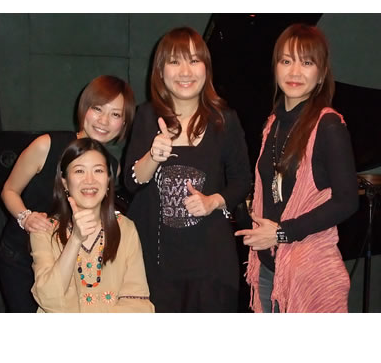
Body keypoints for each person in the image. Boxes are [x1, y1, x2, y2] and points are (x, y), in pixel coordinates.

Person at [124, 27, 251, 312]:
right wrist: (153, 156)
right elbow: (132, 182)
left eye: (194, 60)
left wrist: (213, 201)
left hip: (211, 262)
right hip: (155, 261)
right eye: (174, 61)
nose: (185, 71)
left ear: (206, 68)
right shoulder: (147, 115)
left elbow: (242, 180)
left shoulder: (224, 120)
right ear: (160, 71)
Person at [235, 23, 358, 313]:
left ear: (321, 74)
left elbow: (347, 201)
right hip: (269, 267)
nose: (295, 72)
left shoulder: (329, 125)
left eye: (307, 63)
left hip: (309, 272)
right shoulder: (273, 124)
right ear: (276, 67)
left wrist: (281, 233)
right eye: (287, 61)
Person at [0, 75, 135, 312]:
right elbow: (9, 190)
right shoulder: (46, 145)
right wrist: (25, 217)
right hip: (21, 257)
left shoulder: (113, 167)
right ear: (84, 108)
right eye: (97, 109)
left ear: (124, 123)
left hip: (68, 265)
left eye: (115, 114)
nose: (104, 121)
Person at [30, 138, 154, 312]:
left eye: (98, 171)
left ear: (108, 180)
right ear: (65, 182)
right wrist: (75, 239)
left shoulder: (125, 228)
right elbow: (48, 298)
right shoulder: (44, 230)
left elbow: (137, 300)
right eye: (79, 171)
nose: (89, 180)